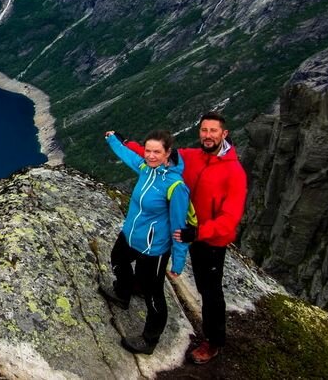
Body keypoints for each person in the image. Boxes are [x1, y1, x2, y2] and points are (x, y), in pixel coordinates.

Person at [122, 112, 248, 365]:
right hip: (178, 227)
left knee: (209, 291)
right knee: (152, 263)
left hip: (209, 241)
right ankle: (139, 285)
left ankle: (213, 341)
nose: (208, 135)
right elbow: (155, 155)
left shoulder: (234, 172)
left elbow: (230, 218)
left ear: (225, 134)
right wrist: (126, 144)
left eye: (213, 131)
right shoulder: (191, 156)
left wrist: (199, 232)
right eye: (204, 130)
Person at [98, 129, 191, 355]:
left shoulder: (175, 186)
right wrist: (112, 139)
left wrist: (177, 263)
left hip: (154, 248)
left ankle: (149, 340)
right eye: (148, 150)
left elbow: (180, 228)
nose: (150, 156)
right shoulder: (145, 169)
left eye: (156, 152)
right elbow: (128, 155)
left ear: (168, 153)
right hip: (131, 235)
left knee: (153, 293)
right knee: (117, 259)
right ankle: (122, 292)